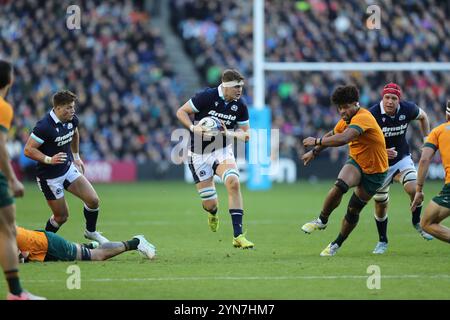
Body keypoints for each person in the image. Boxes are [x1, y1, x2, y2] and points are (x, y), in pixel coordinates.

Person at [301, 85, 388, 256]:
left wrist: (316, 141)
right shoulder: (346, 120)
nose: (342, 111)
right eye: (339, 107)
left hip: (375, 172)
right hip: (356, 162)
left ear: (356, 104)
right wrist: (314, 152)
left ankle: (336, 243)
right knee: (339, 185)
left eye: (345, 107)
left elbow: (344, 138)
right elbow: (332, 134)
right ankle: (322, 220)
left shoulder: (363, 117)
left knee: (353, 209)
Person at [176, 69, 254, 249]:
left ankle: (238, 236)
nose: (239, 90)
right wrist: (192, 127)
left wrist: (228, 133)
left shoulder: (240, 106)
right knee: (210, 204)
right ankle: (213, 213)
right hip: (199, 155)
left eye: (241, 87)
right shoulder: (206, 96)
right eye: (236, 87)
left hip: (222, 150)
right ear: (225, 86)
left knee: (233, 182)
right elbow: (181, 111)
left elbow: (246, 136)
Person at [24, 90, 108, 244]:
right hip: (49, 177)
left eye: (73, 107)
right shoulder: (44, 126)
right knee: (61, 217)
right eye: (68, 107)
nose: (72, 110)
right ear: (57, 108)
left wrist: (76, 157)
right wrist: (49, 159)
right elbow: (28, 150)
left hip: (67, 168)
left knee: (93, 200)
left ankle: (91, 232)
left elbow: (74, 133)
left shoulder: (72, 119)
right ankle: (40, 244)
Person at [369, 83, 433, 254]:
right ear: (382, 98)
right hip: (379, 164)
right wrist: (381, 151)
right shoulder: (371, 114)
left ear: (399, 100)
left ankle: (416, 221)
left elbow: (424, 117)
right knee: (381, 205)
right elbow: (360, 141)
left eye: (394, 98)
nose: (390, 101)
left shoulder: (408, 109)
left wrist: (427, 140)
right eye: (387, 97)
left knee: (414, 188)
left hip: (401, 159)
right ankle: (382, 241)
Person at [0, 60, 45, 300]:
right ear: (10, 80)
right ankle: (16, 293)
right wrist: (12, 179)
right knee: (7, 230)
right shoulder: (3, 107)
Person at [411, 101, 450, 245]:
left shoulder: (438, 131)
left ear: (447, 114)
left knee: (427, 223)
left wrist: (419, 189)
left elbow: (424, 160)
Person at [16, 226, 156, 262]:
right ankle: (93, 244)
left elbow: (23, 255)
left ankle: (136, 242)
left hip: (47, 245)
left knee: (96, 256)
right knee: (83, 251)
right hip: (43, 244)